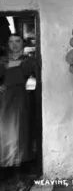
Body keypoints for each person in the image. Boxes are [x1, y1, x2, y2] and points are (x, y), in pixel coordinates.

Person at [0, 34, 36, 184]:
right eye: (11, 42)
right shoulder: (2, 61)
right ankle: (5, 168)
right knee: (4, 132)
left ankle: (19, 169)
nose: (14, 45)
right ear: (7, 44)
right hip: (4, 100)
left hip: (22, 99)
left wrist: (30, 86)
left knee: (20, 132)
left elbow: (35, 79)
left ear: (23, 43)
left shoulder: (29, 60)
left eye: (17, 41)